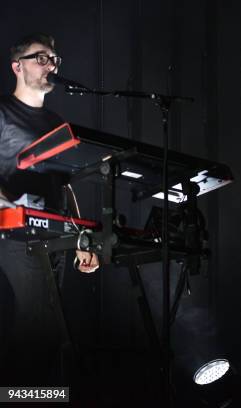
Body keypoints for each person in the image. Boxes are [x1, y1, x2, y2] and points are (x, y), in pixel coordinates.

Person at [0, 33, 99, 385]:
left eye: (54, 59)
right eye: (41, 58)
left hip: (55, 236)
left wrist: (81, 239)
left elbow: (65, 184)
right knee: (38, 320)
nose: (50, 65)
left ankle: (38, 396)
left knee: (52, 326)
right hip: (13, 233)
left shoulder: (57, 123)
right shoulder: (3, 112)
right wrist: (8, 204)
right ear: (18, 66)